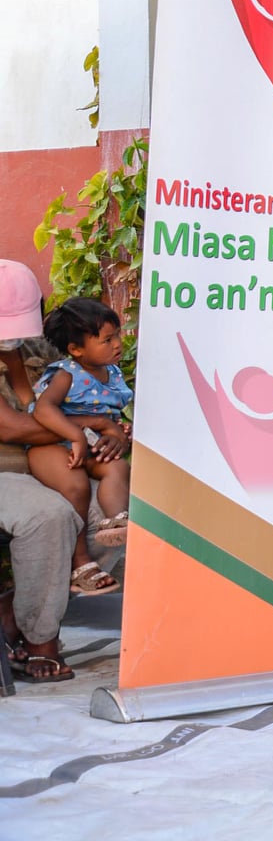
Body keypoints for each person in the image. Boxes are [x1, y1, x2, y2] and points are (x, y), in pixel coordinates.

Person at [0, 260, 89, 681]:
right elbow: (10, 427)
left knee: (115, 516)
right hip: (5, 472)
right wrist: (85, 424)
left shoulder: (40, 348)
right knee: (49, 517)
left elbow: (89, 399)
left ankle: (11, 609)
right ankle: (40, 640)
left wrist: (111, 430)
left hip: (48, 462)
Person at [30, 298, 133, 595]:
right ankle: (80, 561)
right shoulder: (67, 374)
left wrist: (119, 432)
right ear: (76, 350)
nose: (117, 344)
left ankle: (115, 522)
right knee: (76, 486)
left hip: (90, 445)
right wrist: (76, 436)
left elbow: (108, 417)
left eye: (117, 335)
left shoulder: (111, 371)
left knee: (117, 467)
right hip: (52, 444)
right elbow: (44, 411)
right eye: (107, 339)